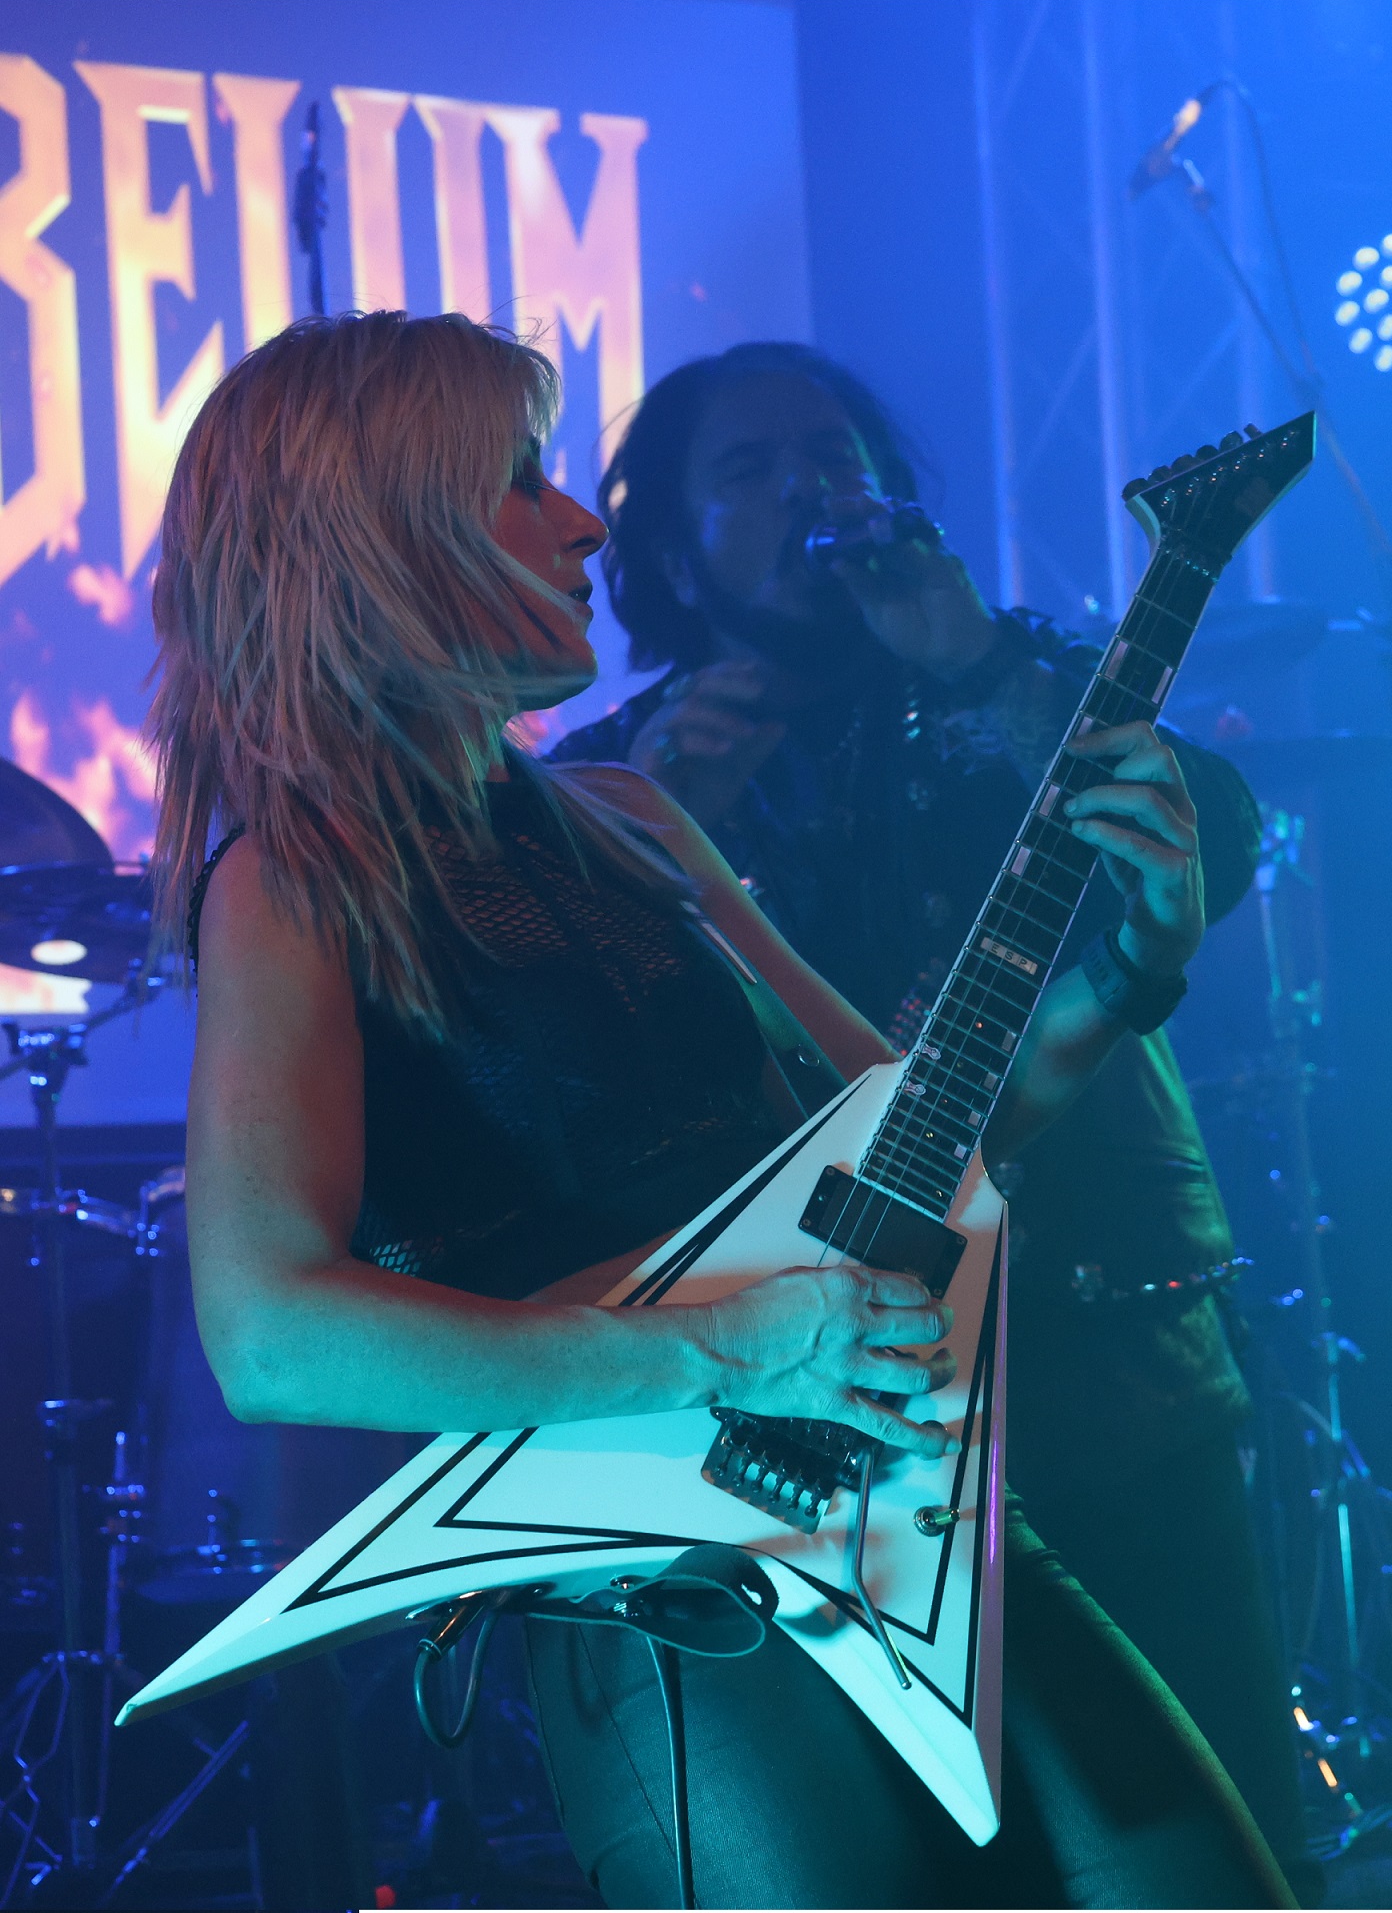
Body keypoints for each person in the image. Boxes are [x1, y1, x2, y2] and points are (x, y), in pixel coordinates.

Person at [151, 311, 1292, 1908]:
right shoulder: (290, 882)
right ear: (379, 540)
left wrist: (1130, 970)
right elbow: (274, 1336)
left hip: (900, 1515)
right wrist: (731, 1349)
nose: (583, 523)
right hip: (661, 1595)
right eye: (520, 483)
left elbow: (914, 1143)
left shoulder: (631, 818)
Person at [550, 341, 1316, 1900]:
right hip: (834, 1410)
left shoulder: (1005, 671)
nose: (808, 489)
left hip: (1108, 1344)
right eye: (749, 470)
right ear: (673, 552)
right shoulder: (618, 782)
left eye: (833, 455)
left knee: (1209, 1826)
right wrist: (654, 832)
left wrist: (976, 662)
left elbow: (1217, 846)